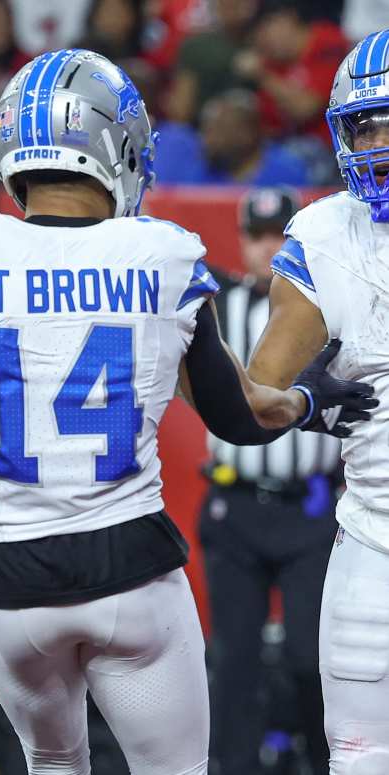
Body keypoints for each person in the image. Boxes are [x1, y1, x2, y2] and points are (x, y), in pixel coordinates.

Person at [0, 50, 375, 775]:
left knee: (54, 762)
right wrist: (311, 398)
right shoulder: (159, 256)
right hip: (131, 570)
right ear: (112, 145)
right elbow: (240, 418)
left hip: (9, 587)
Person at [242, 29, 389, 774]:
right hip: (374, 535)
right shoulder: (326, 233)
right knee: (361, 757)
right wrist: (305, 399)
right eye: (366, 124)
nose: (378, 141)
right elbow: (255, 391)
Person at [199, 188, 339, 775]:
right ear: (241, 241)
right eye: (257, 236)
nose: (267, 249)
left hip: (310, 509)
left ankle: (326, 760)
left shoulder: (334, 303)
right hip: (234, 508)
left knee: (314, 659)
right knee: (233, 661)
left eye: (280, 235)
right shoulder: (214, 306)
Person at [232, 0, 347, 147]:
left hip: (333, 144)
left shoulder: (327, 41)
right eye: (257, 32)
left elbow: (306, 108)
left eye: (266, 27)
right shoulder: (271, 62)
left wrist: (261, 75)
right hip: (287, 144)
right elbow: (270, 124)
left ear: (289, 18)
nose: (263, 38)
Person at [155, 89, 310, 185]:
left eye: (219, 131)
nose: (207, 140)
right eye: (206, 131)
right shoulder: (201, 172)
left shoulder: (287, 174)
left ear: (247, 133)